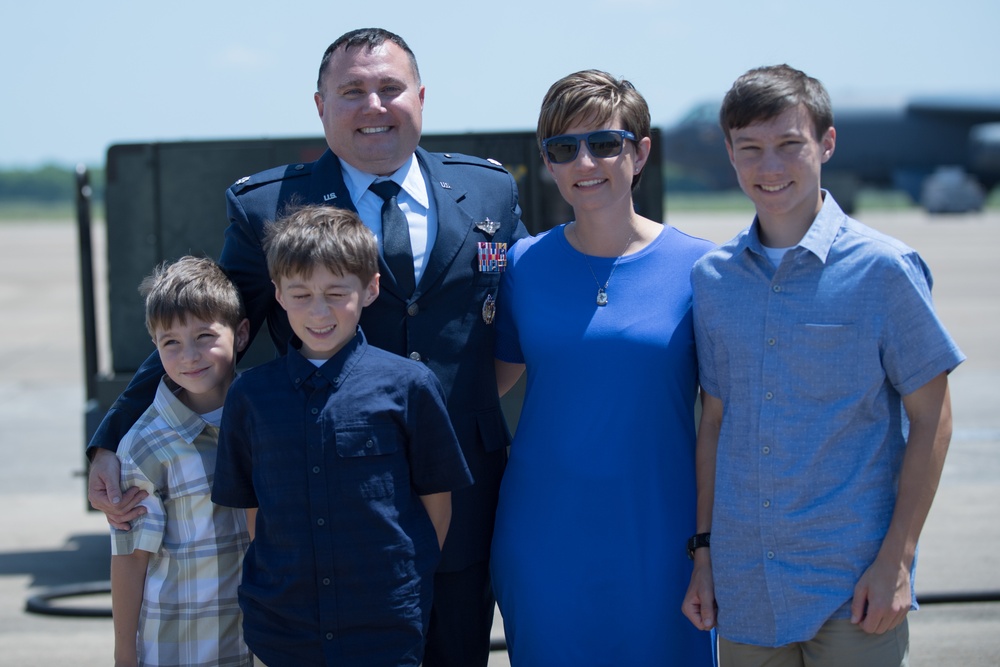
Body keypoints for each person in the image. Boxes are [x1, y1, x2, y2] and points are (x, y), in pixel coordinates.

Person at [87, 27, 527, 666]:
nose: (373, 106)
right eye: (352, 91)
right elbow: (206, 330)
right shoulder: (269, 207)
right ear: (320, 106)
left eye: (389, 89)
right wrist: (111, 436)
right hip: (325, 510)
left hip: (460, 490)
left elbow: (530, 309)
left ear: (422, 98)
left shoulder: (487, 190)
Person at [681, 64, 965, 666]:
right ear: (730, 154)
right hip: (746, 591)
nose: (770, 167)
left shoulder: (885, 270)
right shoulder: (712, 279)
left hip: (855, 590)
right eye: (750, 149)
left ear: (827, 144)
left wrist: (896, 560)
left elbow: (933, 419)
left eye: (790, 144)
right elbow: (714, 423)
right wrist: (704, 555)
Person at [490, 69, 716, 665]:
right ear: (547, 164)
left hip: (663, 537)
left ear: (640, 152)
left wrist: (710, 546)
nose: (585, 162)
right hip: (541, 536)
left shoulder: (704, 270)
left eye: (605, 143)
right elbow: (482, 386)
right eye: (564, 149)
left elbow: (725, 419)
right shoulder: (524, 265)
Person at [211, 205, 472, 666]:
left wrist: (405, 580)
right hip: (285, 628)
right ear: (277, 293)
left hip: (385, 626)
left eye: (336, 293)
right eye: (301, 293)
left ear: (370, 289)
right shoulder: (250, 395)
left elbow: (436, 502)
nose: (318, 310)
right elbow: (256, 512)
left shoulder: (409, 385)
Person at [109, 256, 252, 667]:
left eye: (204, 335)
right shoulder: (146, 446)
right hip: (179, 648)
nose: (189, 355)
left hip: (257, 646)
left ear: (241, 334)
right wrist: (124, 655)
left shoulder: (267, 421)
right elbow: (131, 557)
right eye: (170, 342)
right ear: (155, 348)